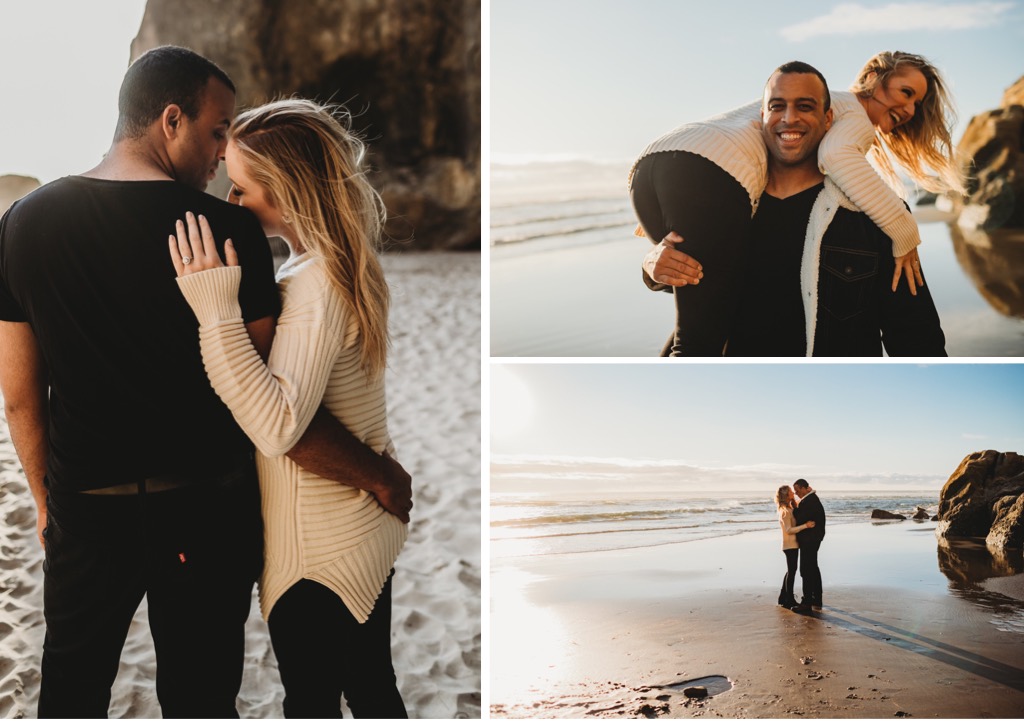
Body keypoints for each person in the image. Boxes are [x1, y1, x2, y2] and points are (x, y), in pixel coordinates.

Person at [0, 46, 410, 718]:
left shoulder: (22, 222)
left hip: (87, 506)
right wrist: (377, 473)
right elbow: (259, 389)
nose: (223, 153)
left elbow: (19, 392)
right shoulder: (225, 232)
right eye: (218, 130)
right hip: (205, 516)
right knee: (201, 699)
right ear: (170, 120)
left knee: (72, 690)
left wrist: (47, 502)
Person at [168, 98, 408, 718]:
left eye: (242, 187)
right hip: (355, 525)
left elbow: (278, 424)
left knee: (315, 701)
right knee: (372, 689)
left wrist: (215, 306)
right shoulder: (341, 265)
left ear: (288, 190)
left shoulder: (318, 283)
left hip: (319, 548)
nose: (230, 200)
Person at [632, 51, 963, 356]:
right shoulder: (727, 205)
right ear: (762, 117)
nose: (790, 119)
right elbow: (703, 291)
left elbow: (917, 339)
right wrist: (654, 268)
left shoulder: (877, 216)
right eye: (778, 107)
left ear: (828, 117)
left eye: (806, 107)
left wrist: (904, 232)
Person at [775, 485, 815, 609]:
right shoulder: (784, 511)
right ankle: (789, 599)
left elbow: (802, 504)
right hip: (789, 545)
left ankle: (783, 597)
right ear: (787, 495)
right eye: (791, 491)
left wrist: (810, 491)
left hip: (793, 544)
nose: (794, 492)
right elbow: (788, 530)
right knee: (792, 572)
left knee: (790, 571)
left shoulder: (790, 507)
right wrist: (805, 526)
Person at [792, 479, 826, 613]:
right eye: (795, 491)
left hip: (810, 540)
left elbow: (800, 518)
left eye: (798, 490)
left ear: (806, 488)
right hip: (813, 539)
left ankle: (807, 603)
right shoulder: (811, 499)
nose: (796, 493)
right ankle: (816, 598)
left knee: (805, 570)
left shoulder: (810, 501)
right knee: (813, 568)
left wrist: (794, 508)